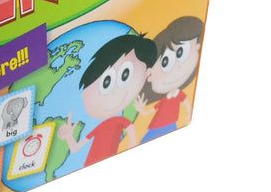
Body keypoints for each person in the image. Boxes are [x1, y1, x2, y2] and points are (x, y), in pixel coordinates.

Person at [57, 33, 157, 166]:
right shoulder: (100, 127)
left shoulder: (122, 122)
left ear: (148, 73)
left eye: (125, 75)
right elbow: (75, 148)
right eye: (106, 83)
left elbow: (133, 143)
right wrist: (69, 135)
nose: (114, 92)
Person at [135, 16, 204, 143]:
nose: (178, 67)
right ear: (149, 74)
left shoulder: (178, 95)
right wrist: (141, 110)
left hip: (171, 125)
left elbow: (186, 104)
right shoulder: (166, 98)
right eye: (165, 62)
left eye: (181, 53)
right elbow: (151, 110)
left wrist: (188, 114)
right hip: (156, 126)